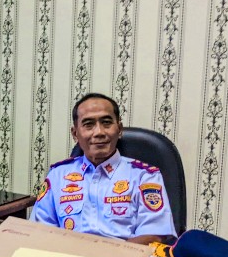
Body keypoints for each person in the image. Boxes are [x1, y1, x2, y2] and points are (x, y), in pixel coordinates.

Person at [30, 93, 176, 244]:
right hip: (66, 256)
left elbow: (153, 235)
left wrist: (111, 255)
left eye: (106, 123)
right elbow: (40, 230)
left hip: (125, 256)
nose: (99, 132)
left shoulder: (144, 177)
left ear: (119, 129)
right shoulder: (57, 175)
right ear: (75, 134)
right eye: (88, 124)